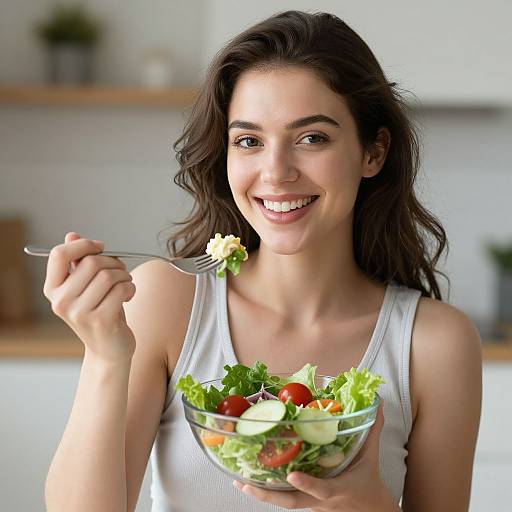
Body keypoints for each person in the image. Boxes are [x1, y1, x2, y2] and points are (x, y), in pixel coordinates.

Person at [42, 10, 482, 512]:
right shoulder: (165, 300)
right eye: (249, 141)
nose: (275, 172)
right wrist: (104, 356)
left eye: (312, 137)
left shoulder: (435, 344)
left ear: (372, 153)